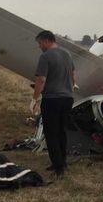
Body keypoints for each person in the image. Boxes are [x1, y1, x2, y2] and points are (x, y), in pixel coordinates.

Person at [31, 30, 75, 177]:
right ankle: (62, 162)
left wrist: (35, 98)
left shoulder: (45, 57)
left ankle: (58, 168)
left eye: (39, 43)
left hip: (52, 99)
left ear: (46, 41)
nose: (39, 46)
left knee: (51, 133)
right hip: (68, 98)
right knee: (62, 131)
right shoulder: (67, 54)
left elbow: (41, 80)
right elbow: (73, 77)